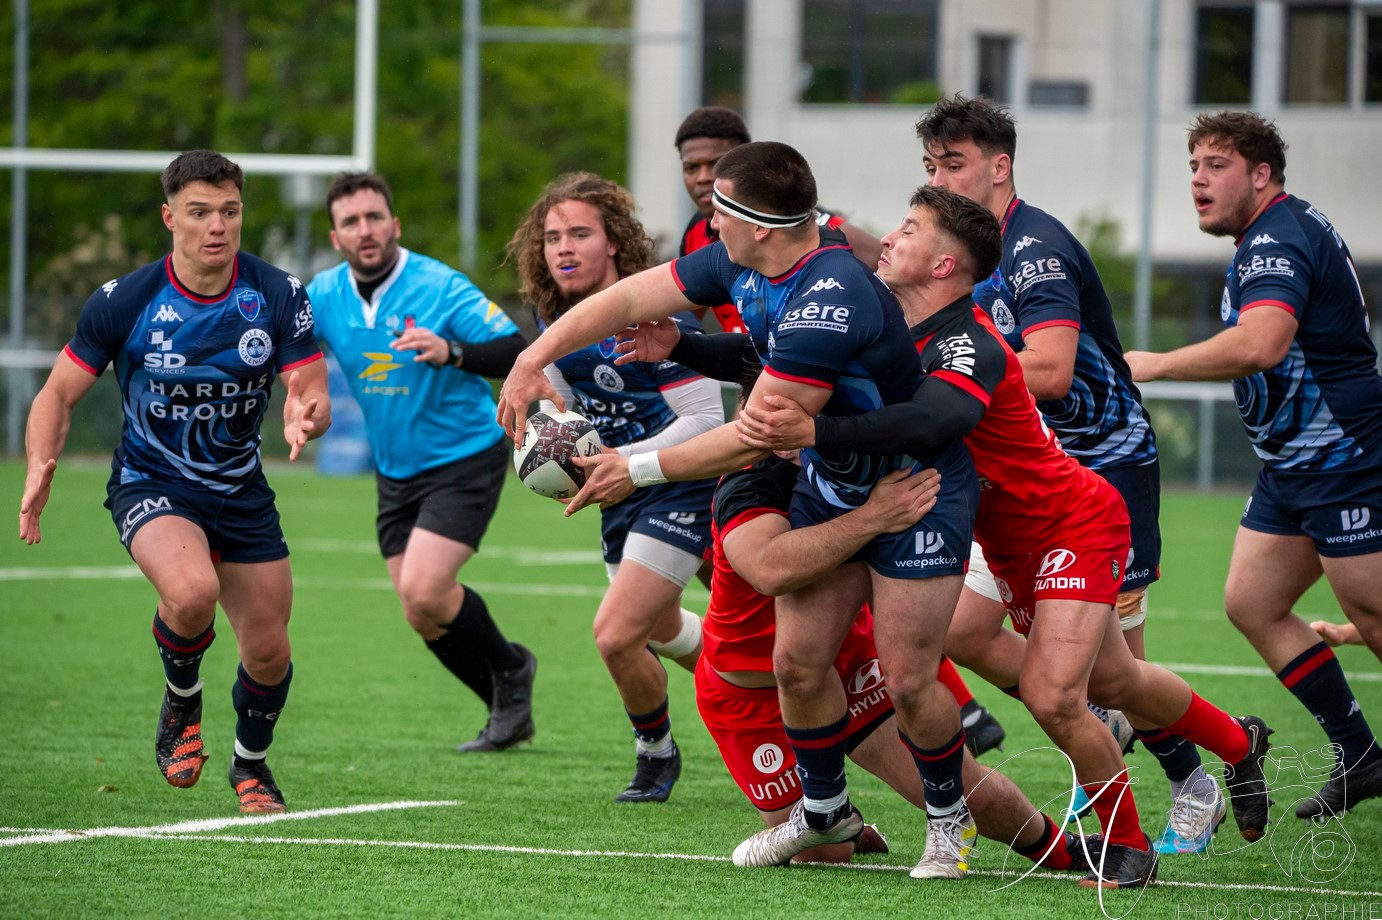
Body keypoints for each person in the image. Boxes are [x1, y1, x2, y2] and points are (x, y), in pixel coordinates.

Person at [734, 185, 1275, 889]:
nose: (889, 238)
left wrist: (816, 431)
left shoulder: (971, 345)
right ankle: (1239, 742)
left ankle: (1126, 847)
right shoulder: (895, 325)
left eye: (909, 228)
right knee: (1113, 679)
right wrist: (681, 341)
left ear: (944, 266)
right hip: (1008, 543)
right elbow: (783, 345)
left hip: (1073, 522)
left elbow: (926, 426)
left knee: (1055, 696)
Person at [497, 142, 986, 879]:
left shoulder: (830, 294)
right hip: (833, 481)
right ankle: (823, 810)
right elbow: (630, 298)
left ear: (760, 225)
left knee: (912, 678)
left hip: (916, 489)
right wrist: (533, 357)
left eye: (721, 206)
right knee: (795, 662)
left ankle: (951, 823)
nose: (708, 218)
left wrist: (633, 467)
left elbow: (750, 434)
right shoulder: (742, 259)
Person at [910, 93, 1218, 855]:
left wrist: (948, 369)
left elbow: (1047, 370)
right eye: (930, 167)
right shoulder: (968, 251)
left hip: (1107, 469)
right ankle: (1112, 731)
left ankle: (1193, 781)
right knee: (968, 630)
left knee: (1116, 675)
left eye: (955, 164)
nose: (941, 180)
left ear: (999, 165)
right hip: (1036, 473)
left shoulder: (1033, 246)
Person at [19, 149, 330, 813]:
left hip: (240, 490)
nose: (217, 225)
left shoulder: (277, 294)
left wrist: (308, 412)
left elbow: (310, 386)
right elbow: (55, 394)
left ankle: (251, 767)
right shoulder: (125, 300)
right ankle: (181, 701)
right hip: (150, 480)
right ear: (170, 218)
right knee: (192, 592)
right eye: (199, 213)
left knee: (270, 651)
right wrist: (40, 463)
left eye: (230, 211)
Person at [702, 391, 1098, 875]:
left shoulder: (854, 457)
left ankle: (1061, 850)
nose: (780, 430)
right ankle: (848, 822)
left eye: (797, 410)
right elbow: (771, 570)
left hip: (846, 663)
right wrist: (873, 516)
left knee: (965, 786)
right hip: (747, 694)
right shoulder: (750, 485)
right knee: (821, 852)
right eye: (764, 415)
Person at [1125, 110, 1382, 821]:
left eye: (1216, 166)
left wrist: (1157, 364)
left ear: (1261, 174)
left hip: (1344, 461)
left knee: (1375, 615)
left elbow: (1263, 343)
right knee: (1253, 603)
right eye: (1193, 168)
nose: (1198, 182)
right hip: (1293, 469)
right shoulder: (1266, 236)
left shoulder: (1276, 238)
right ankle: (1361, 754)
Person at [505, 172, 725, 802]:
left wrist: (620, 458)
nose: (563, 247)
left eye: (580, 233)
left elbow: (709, 420)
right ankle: (758, 684)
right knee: (654, 629)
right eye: (551, 237)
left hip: (682, 479)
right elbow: (568, 412)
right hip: (621, 488)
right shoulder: (555, 318)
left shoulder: (651, 309)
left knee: (615, 632)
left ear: (615, 244)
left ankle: (655, 751)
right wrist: (546, 446)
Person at [306, 171, 537, 754]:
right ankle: (504, 704)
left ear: (395, 225)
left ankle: (512, 671)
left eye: (374, 217)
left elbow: (517, 350)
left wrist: (451, 350)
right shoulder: (324, 294)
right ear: (336, 236)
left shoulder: (439, 285)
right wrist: (298, 401)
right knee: (419, 611)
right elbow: (292, 351)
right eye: (352, 221)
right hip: (395, 468)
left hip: (464, 454)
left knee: (427, 589)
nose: (366, 230)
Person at [673, 106, 884, 333]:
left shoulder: (808, 228)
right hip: (743, 363)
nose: (703, 177)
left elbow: (881, 261)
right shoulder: (696, 231)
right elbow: (685, 312)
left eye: (715, 164)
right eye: (691, 168)